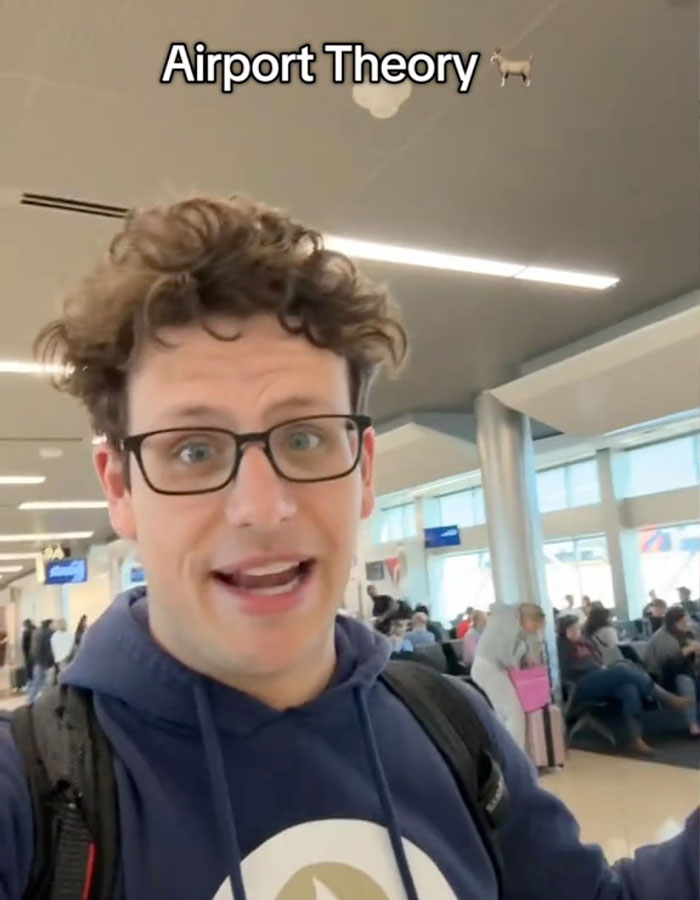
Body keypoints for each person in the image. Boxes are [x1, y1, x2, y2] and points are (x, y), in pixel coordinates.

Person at [0, 195, 697, 900]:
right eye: (193, 449)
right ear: (120, 486)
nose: (262, 509)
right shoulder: (32, 793)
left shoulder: (450, 727)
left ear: (364, 470)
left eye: (304, 438)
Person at [558, 615, 690, 755]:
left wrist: (601, 668)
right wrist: (596, 668)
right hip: (580, 684)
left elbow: (599, 660)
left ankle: (636, 739)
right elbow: (568, 670)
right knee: (623, 670)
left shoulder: (586, 642)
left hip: (599, 677)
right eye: (571, 629)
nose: (575, 631)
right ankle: (668, 698)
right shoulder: (561, 646)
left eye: (577, 627)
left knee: (629, 689)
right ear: (563, 631)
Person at [470, 603, 545, 748]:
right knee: (514, 713)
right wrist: (521, 661)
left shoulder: (509, 621)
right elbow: (506, 656)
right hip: (489, 668)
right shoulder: (508, 625)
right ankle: (516, 756)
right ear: (528, 618)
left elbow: (529, 648)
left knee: (503, 713)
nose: (535, 629)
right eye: (535, 625)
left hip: (487, 667)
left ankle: (505, 753)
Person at [644, 606, 700, 737]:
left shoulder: (684, 634)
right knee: (685, 680)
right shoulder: (663, 638)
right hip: (661, 678)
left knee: (688, 677)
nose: (687, 624)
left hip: (684, 671)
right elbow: (669, 668)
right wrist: (686, 651)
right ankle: (693, 725)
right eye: (683, 622)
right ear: (674, 623)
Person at [27, 620, 54, 704]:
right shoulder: (51, 633)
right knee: (48, 683)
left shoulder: (36, 632)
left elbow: (33, 649)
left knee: (37, 682)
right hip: (47, 661)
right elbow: (51, 648)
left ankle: (31, 700)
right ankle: (45, 701)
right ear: (49, 624)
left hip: (38, 661)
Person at [20, 620, 35, 685]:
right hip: (35, 653)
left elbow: (24, 645)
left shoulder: (26, 632)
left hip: (28, 653)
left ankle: (30, 681)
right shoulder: (36, 630)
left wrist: (25, 654)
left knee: (29, 668)